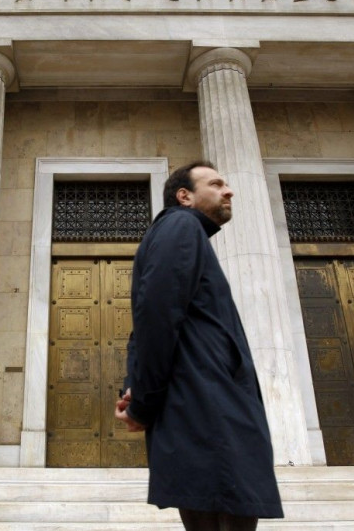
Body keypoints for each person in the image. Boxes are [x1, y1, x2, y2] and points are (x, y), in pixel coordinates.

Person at [115, 161, 283, 531]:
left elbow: (150, 320)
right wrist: (143, 403)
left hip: (206, 411)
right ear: (184, 196)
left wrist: (137, 388)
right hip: (208, 414)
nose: (229, 190)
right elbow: (155, 314)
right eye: (216, 183)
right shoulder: (180, 225)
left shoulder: (184, 233)